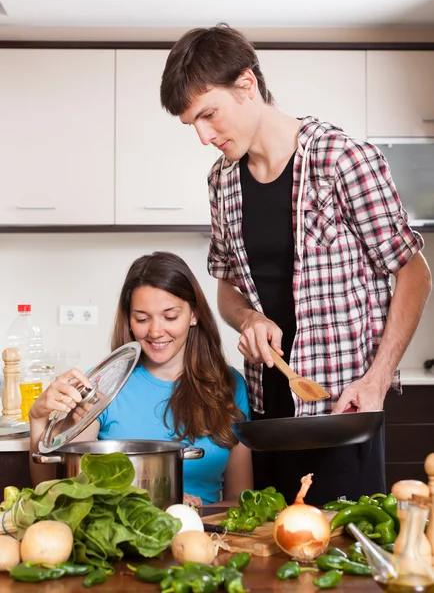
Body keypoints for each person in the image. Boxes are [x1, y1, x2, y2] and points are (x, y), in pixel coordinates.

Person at [160, 25, 432, 505]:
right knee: (269, 559)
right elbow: (226, 288)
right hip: (270, 416)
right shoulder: (222, 181)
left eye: (208, 115)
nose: (203, 136)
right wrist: (247, 318)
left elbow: (413, 271)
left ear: (247, 85)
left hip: (343, 411)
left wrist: (377, 379)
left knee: (344, 563)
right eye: (192, 126)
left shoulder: (342, 159)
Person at [29, 251, 253, 506]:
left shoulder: (230, 386)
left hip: (204, 538)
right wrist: (38, 419)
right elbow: (52, 491)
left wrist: (193, 510)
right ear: (129, 320)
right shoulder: (103, 387)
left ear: (194, 315)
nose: (156, 331)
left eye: (170, 316)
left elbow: (239, 499)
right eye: (142, 319)